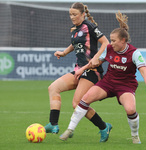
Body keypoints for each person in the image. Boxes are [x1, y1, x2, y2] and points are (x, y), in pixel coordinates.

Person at [59, 11, 146, 144]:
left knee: (130, 109)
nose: (111, 43)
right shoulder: (109, 48)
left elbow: (144, 72)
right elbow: (96, 61)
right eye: (111, 40)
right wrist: (82, 69)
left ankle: (135, 136)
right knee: (85, 99)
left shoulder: (134, 53)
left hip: (126, 86)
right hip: (108, 83)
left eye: (114, 41)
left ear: (123, 41)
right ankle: (70, 130)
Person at [45, 2, 112, 142]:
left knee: (77, 104)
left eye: (75, 14)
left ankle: (103, 127)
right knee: (53, 88)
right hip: (78, 70)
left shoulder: (90, 26)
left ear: (83, 14)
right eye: (70, 14)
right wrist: (64, 53)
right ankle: (53, 123)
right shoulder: (74, 29)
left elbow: (106, 43)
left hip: (92, 71)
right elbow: (75, 44)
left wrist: (95, 58)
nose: (72, 17)